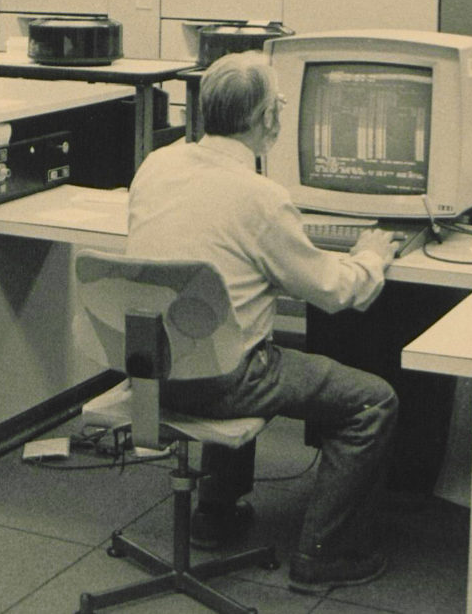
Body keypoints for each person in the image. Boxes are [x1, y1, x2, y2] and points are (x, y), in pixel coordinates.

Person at [125, 50, 401, 593]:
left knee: (232, 329)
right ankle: (325, 553)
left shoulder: (156, 165)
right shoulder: (262, 198)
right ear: (267, 121)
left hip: (149, 368)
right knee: (373, 400)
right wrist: (372, 255)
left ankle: (214, 514)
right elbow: (334, 290)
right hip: (223, 380)